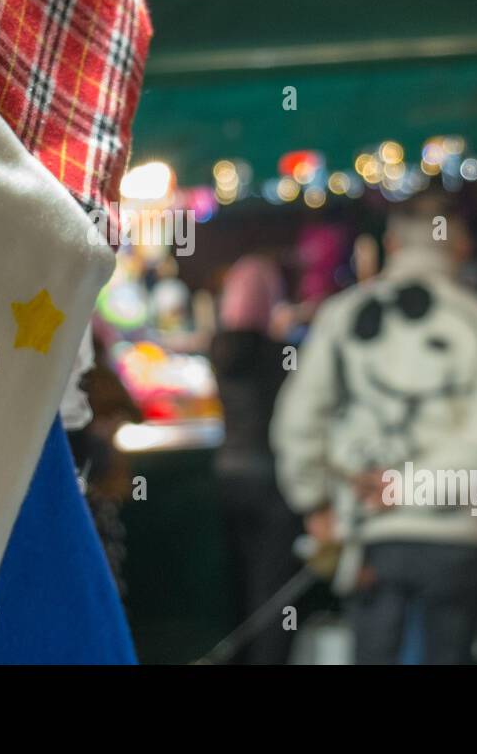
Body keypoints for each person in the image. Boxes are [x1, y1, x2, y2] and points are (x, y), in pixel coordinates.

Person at [271, 196, 477, 664]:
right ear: (461, 247)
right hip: (458, 541)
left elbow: (298, 420)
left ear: (390, 243)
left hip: (371, 536)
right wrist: (411, 486)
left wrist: (315, 500)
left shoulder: (339, 316)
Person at [209, 256, 301, 664]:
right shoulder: (282, 353)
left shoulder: (219, 350)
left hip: (227, 476)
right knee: (273, 594)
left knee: (237, 587)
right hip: (271, 481)